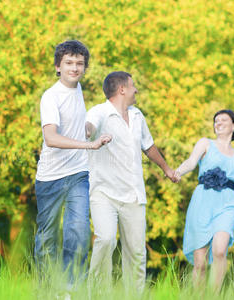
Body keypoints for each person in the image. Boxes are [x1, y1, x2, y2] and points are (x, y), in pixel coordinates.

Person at [86, 71, 177, 292]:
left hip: (134, 194)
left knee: (137, 252)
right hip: (103, 193)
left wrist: (166, 169)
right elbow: (88, 127)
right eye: (133, 86)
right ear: (122, 89)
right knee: (106, 240)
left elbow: (148, 146)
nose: (136, 90)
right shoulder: (99, 112)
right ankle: (97, 294)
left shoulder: (137, 115)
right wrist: (88, 134)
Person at [34, 40, 111, 284]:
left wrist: (87, 128)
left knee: (77, 232)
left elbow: (75, 125)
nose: (74, 68)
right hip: (50, 177)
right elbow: (51, 137)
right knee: (47, 237)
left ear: (85, 68)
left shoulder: (78, 91)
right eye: (68, 63)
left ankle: (71, 290)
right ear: (58, 67)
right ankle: (47, 288)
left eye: (79, 64)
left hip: (79, 173)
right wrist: (89, 145)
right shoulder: (50, 97)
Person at [175, 109, 234, 292]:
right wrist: (177, 172)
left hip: (227, 204)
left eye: (223, 120)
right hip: (203, 202)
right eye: (216, 121)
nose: (218, 123)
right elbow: (190, 162)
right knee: (200, 263)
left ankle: (214, 295)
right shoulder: (205, 143)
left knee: (220, 250)